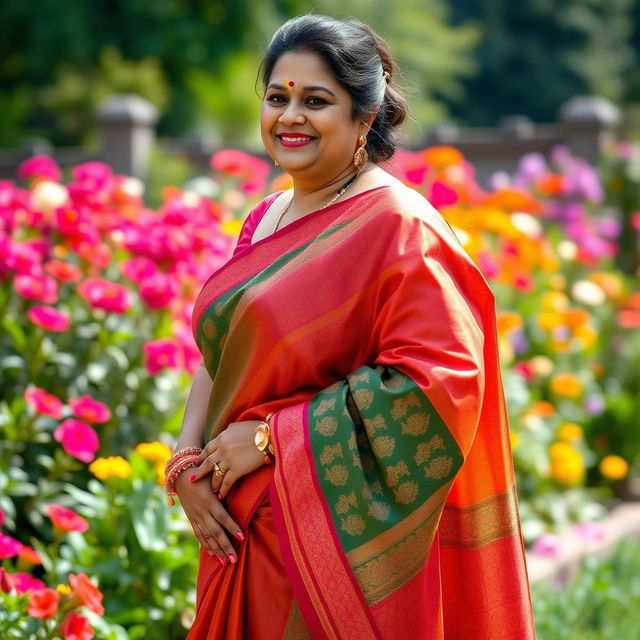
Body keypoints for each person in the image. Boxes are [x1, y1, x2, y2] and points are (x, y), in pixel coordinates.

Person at [165, 14, 536, 640]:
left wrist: (269, 441)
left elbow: (435, 386)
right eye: (277, 98)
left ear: (365, 118)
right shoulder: (264, 218)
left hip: (325, 540)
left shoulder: (398, 226)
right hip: (237, 530)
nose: (289, 117)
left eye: (316, 101)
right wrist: (186, 464)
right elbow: (220, 355)